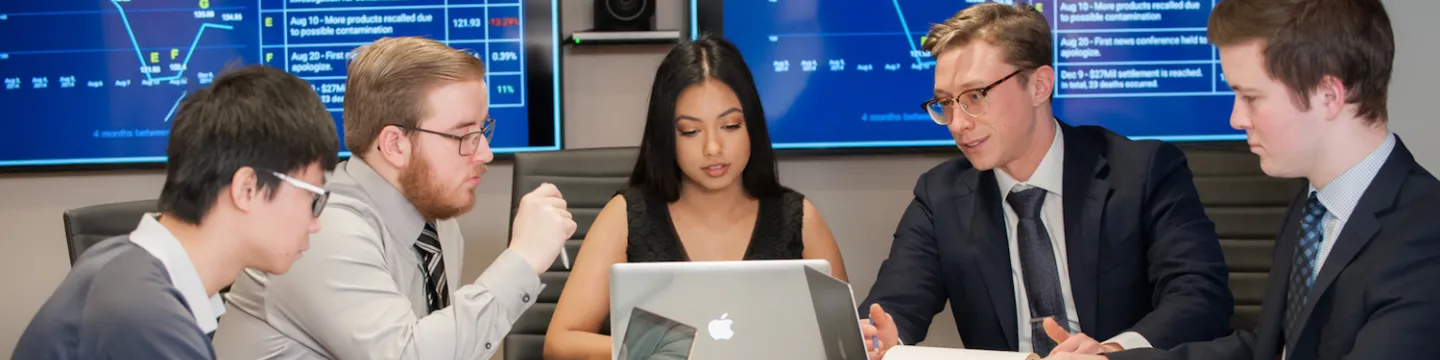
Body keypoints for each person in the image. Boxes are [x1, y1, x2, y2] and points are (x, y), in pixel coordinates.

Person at [1047, 0, 1440, 359]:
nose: (1237, 118)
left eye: (1251, 96)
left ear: (1328, 95)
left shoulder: (1424, 237)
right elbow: (1273, 349)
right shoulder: (1313, 208)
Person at [856, 2, 1234, 358]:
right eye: (946, 102)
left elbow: (1199, 297)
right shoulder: (940, 196)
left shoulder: (1143, 171)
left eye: (975, 96)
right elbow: (894, 304)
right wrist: (883, 337)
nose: (958, 123)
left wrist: (1113, 353)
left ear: (1039, 86)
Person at [212, 36, 577, 360]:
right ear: (394, 145)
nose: (484, 153)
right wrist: (522, 260)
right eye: (463, 135)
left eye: (483, 130)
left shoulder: (437, 226)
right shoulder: (322, 228)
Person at [541, 34, 850, 360]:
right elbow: (559, 344)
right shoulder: (627, 216)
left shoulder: (798, 218)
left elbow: (845, 344)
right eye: (690, 131)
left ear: (752, 126)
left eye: (730, 126)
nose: (713, 148)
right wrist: (663, 351)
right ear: (666, 136)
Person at [10, 65, 339, 359]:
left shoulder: (119, 261)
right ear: (246, 188)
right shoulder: (146, 319)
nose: (315, 224)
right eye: (312, 198)